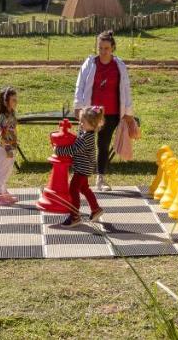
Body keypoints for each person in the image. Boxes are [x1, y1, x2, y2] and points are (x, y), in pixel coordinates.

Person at [73, 30, 135, 191]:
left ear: (112, 48)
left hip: (111, 112)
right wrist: (78, 106)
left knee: (103, 144)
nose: (103, 51)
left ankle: (100, 178)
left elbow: (126, 88)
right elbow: (80, 86)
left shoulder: (119, 65)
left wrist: (128, 111)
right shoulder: (90, 63)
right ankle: (80, 177)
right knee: (84, 143)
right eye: (100, 48)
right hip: (90, 112)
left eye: (106, 48)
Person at [55, 106, 104, 226]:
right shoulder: (86, 132)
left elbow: (74, 149)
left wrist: (58, 150)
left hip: (82, 168)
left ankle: (74, 216)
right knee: (84, 188)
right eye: (80, 121)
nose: (80, 123)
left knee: (73, 189)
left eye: (83, 122)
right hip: (85, 167)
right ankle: (96, 209)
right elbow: (78, 136)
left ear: (92, 124)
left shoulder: (86, 137)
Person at [0, 86, 20, 206]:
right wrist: (9, 148)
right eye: (13, 100)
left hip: (10, 147)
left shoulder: (11, 113)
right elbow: (2, 135)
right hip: (4, 148)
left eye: (16, 99)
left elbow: (12, 130)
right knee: (0, 172)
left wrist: (14, 143)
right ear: (5, 101)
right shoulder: (2, 117)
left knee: (6, 171)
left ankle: (3, 192)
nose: (16, 102)